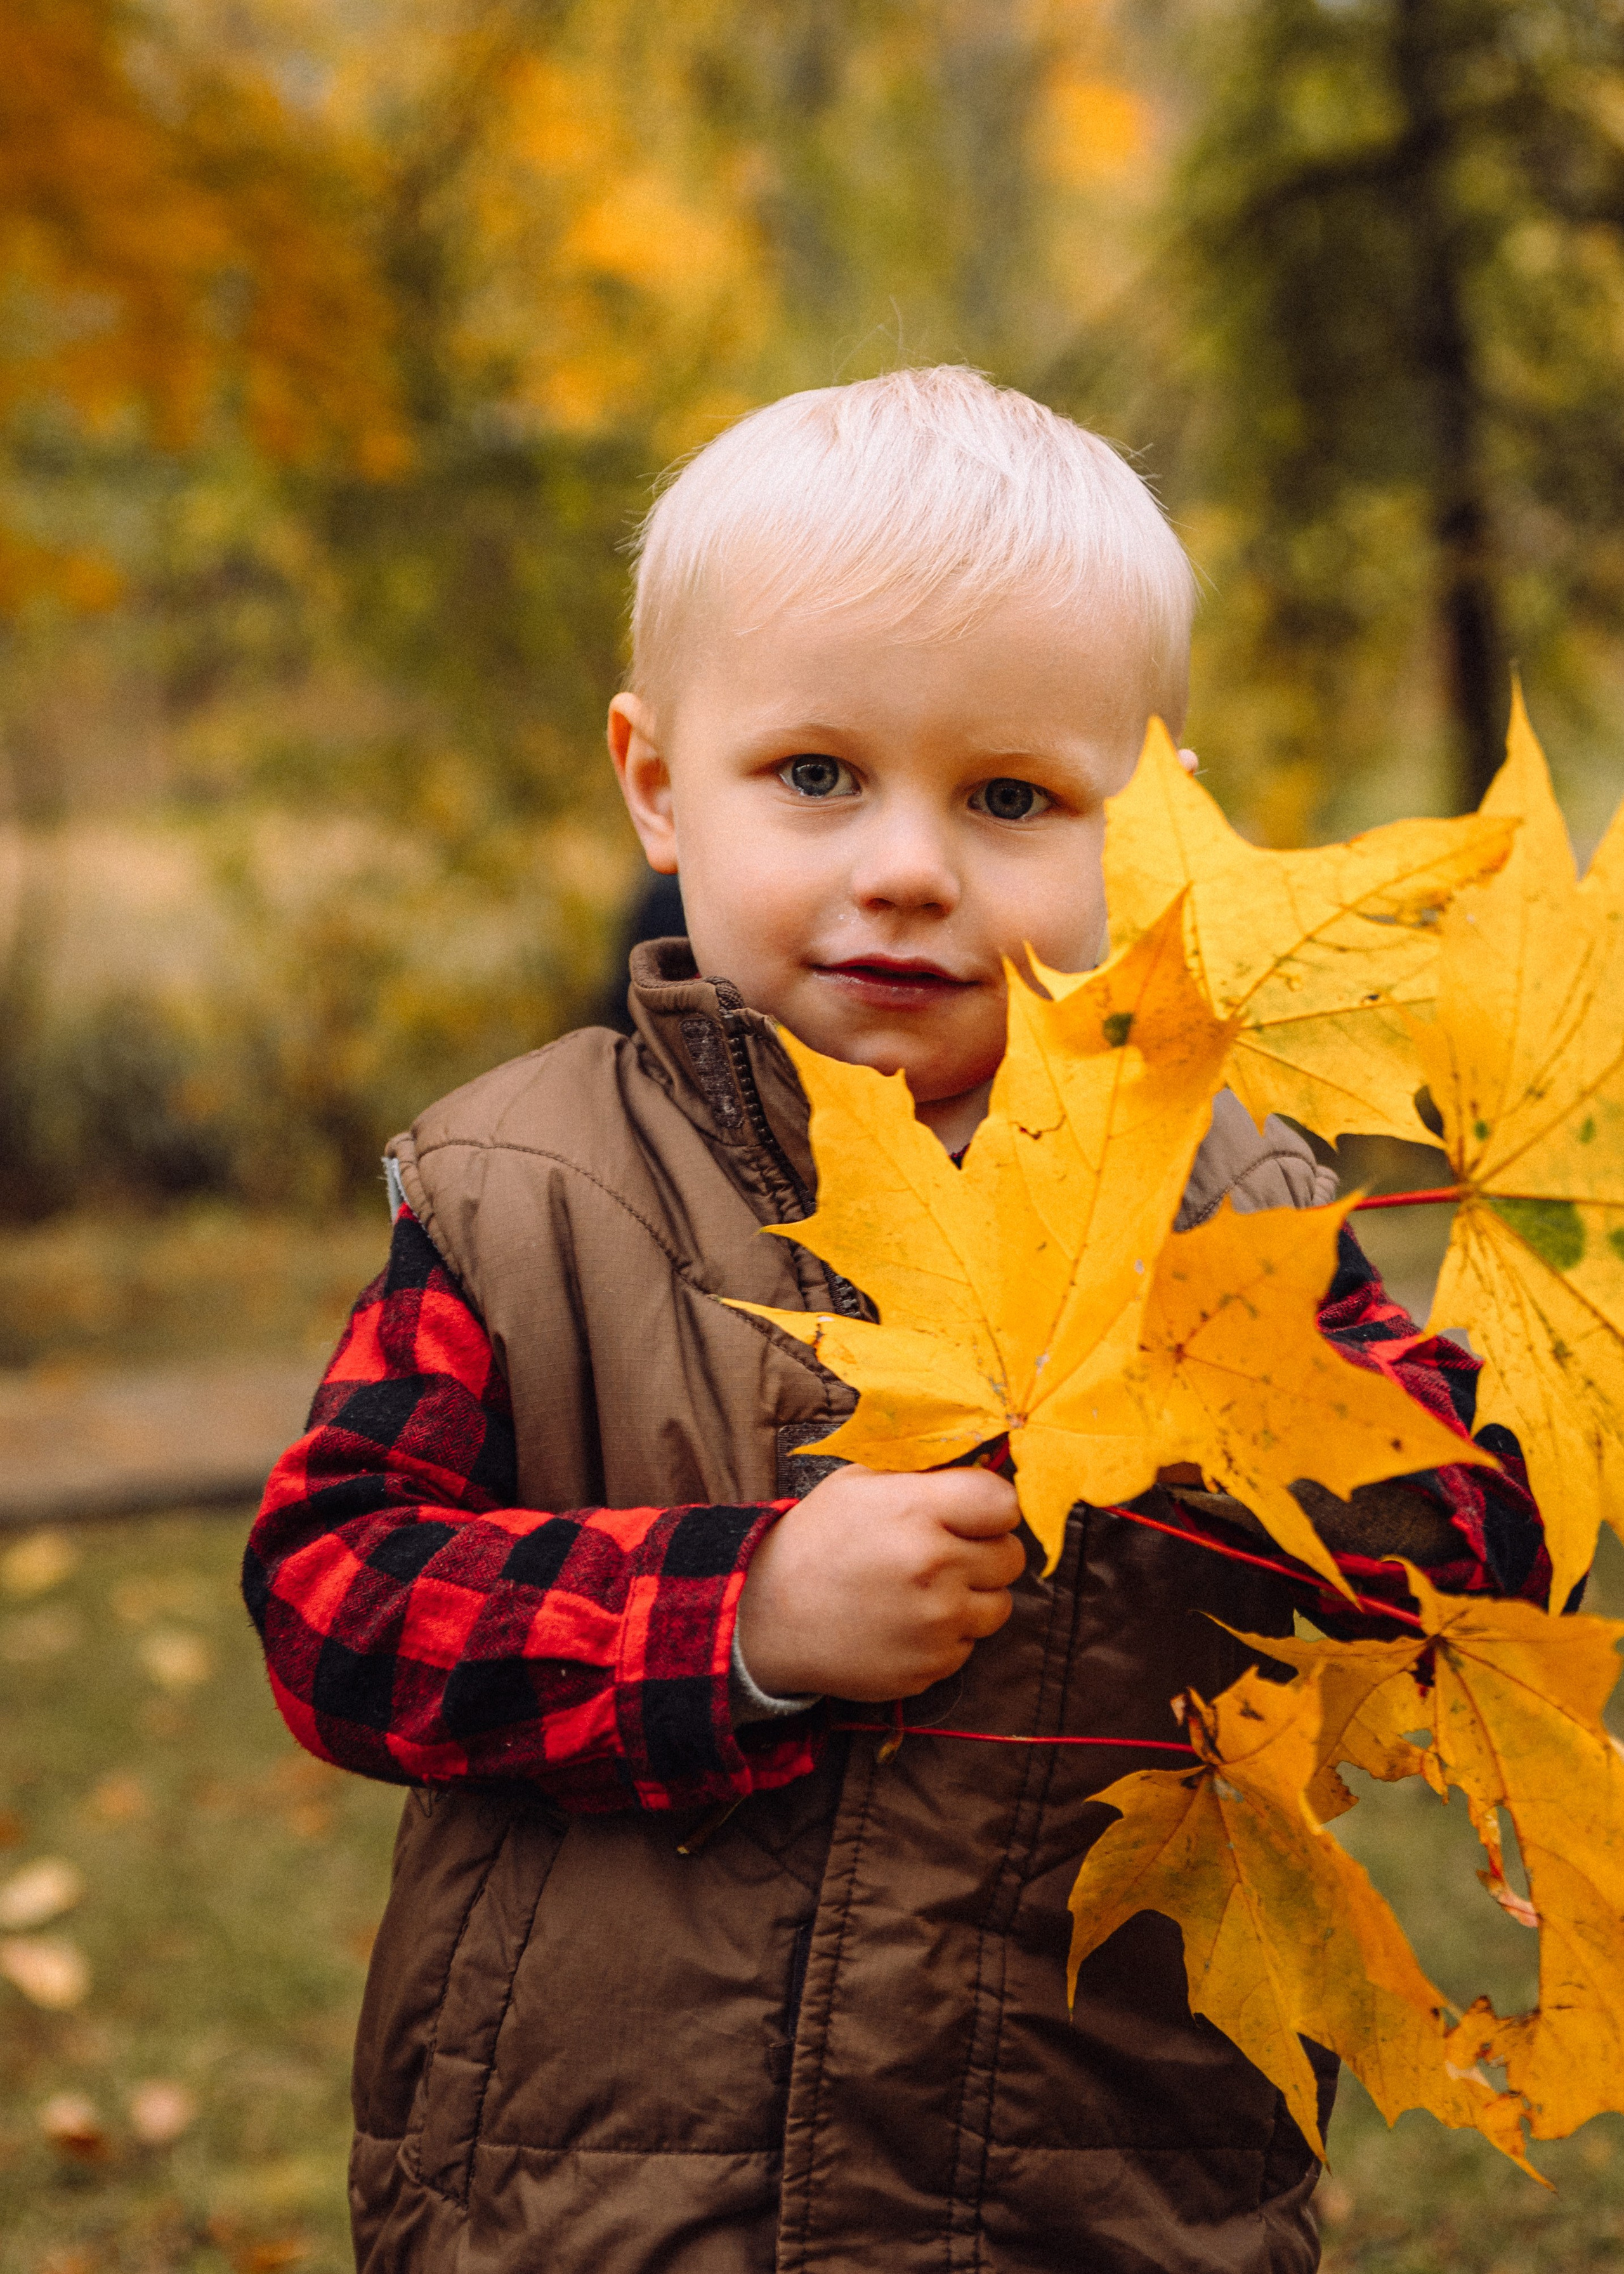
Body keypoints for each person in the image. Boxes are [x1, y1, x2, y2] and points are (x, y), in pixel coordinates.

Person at [245, 369, 1547, 2274]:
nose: (912, 865)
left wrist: (1331, 1416)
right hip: (592, 2209)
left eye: (1012, 796)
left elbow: (1478, 1572)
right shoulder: (530, 1194)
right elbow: (337, 1602)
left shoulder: (1229, 1201)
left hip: (1097, 2199)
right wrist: (742, 1615)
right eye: (819, 775)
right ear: (656, 782)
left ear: (1142, 829)